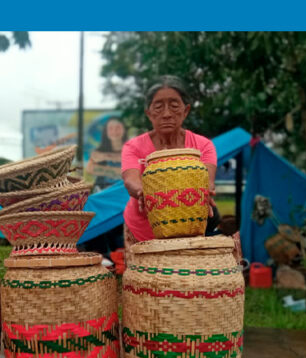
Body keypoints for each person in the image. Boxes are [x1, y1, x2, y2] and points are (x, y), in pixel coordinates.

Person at [121, 76, 219, 250]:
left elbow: (207, 180)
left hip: (187, 231)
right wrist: (144, 192)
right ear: (149, 113)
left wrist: (206, 191)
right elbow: (130, 180)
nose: (166, 114)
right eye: (158, 107)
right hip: (141, 231)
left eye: (174, 106)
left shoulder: (203, 146)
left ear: (186, 110)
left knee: (182, 277)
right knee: (141, 277)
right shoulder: (133, 146)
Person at [86, 116, 128, 191]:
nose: (114, 131)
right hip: (104, 190)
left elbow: (131, 173)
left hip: (125, 190)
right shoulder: (99, 150)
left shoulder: (131, 148)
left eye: (118, 128)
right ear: (106, 132)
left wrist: (105, 157)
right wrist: (119, 171)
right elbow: (90, 169)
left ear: (124, 130)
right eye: (110, 128)